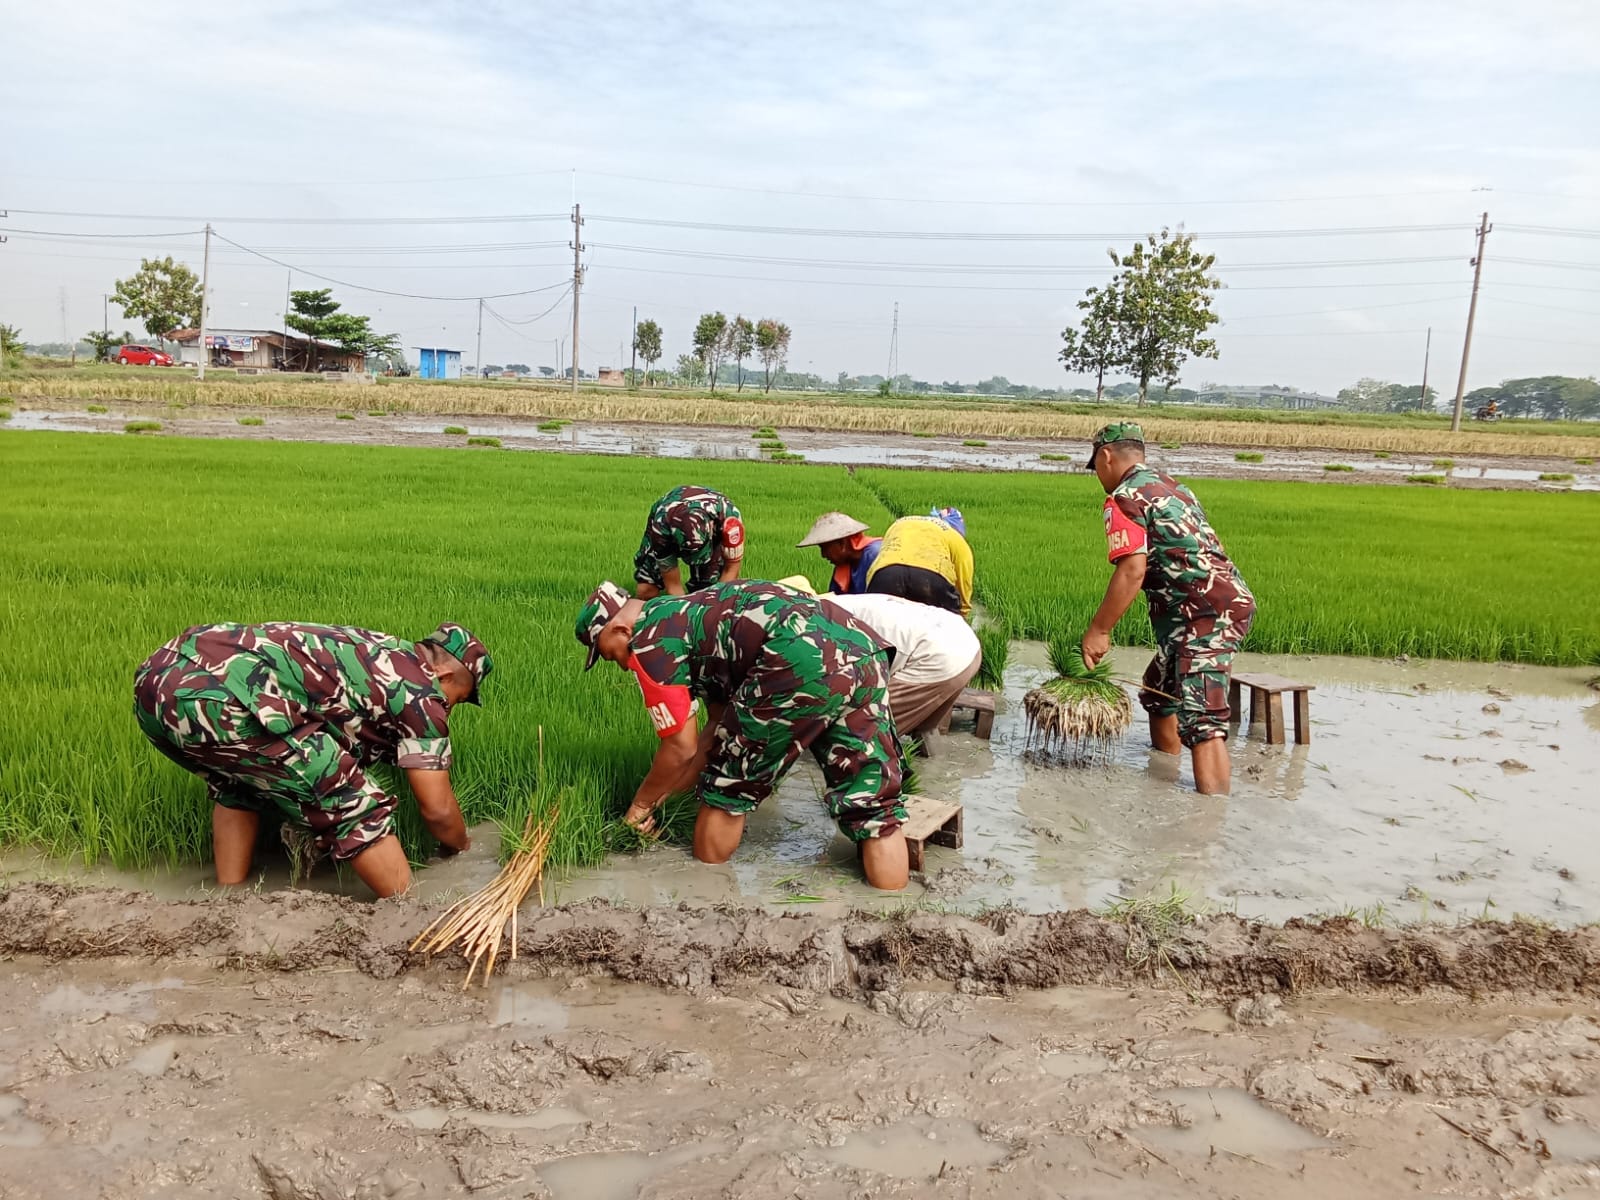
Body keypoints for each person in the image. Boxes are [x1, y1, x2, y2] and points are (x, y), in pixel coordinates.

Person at [575, 579, 910, 890]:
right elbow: (714, 731)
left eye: (609, 653)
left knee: (727, 787)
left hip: (795, 657)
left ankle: (704, 899)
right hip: (859, 646)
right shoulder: (692, 612)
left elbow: (680, 746)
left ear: (620, 629)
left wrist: (639, 807)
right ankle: (894, 917)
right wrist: (669, 801)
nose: (618, 663)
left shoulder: (649, 643)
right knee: (873, 806)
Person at [133, 621, 492, 897]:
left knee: (242, 785)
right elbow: (438, 809)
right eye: (456, 699)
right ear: (444, 675)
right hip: (229, 696)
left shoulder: (381, 649)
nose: (448, 709)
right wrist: (461, 850)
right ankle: (406, 917)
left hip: (160, 677)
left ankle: (230, 898)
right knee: (352, 803)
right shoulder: (422, 695)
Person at [1080, 422, 1255, 795]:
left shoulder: (1125, 497)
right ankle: (1165, 777)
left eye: (1095, 465)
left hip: (1205, 615)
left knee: (1202, 720)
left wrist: (1099, 630)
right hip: (1206, 608)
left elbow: (1132, 569)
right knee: (1158, 691)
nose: (1097, 475)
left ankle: (1209, 820)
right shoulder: (1174, 487)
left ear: (1105, 456)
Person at [809, 586, 982, 742]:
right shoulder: (849, 602)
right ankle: (935, 771)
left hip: (939, 657)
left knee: (860, 735)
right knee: (924, 730)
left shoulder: (821, 620)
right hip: (965, 641)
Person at [633, 485, 745, 599]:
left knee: (708, 591)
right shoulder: (661, 530)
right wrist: (683, 611)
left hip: (715, 521)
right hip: (667, 516)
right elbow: (673, 586)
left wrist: (715, 604)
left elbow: (731, 570)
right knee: (647, 589)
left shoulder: (730, 521)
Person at [865, 507, 974, 618]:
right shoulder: (956, 538)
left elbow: (882, 555)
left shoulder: (900, 523)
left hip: (886, 574)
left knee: (878, 626)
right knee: (940, 628)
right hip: (931, 580)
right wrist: (960, 618)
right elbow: (963, 584)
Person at [796, 511, 882, 595]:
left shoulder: (876, 556)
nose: (823, 555)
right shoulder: (844, 565)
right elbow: (835, 600)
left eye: (825, 548)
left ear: (842, 543)